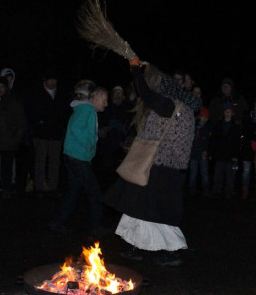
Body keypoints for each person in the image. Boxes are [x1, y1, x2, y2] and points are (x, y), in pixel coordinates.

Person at [104, 59, 200, 266]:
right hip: (162, 166)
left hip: (163, 167)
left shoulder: (170, 105)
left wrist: (136, 71)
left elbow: (146, 94)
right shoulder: (179, 107)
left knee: (161, 210)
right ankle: (136, 245)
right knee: (140, 204)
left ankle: (173, 251)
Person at [49, 85, 108, 236]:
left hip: (73, 156)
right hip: (78, 158)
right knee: (94, 192)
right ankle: (96, 227)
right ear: (95, 98)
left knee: (73, 191)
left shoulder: (84, 109)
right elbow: (76, 129)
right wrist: (88, 145)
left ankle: (57, 222)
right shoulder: (87, 110)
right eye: (104, 100)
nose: (106, 104)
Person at [24, 68, 70, 197]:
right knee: (40, 161)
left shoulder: (61, 94)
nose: (53, 82)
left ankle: (52, 187)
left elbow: (65, 112)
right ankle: (40, 186)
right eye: (50, 80)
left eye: (55, 80)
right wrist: (38, 122)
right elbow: (29, 111)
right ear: (45, 80)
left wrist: (61, 127)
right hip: (41, 134)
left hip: (56, 134)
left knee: (54, 161)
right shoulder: (36, 93)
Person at [208, 104, 242, 199]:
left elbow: (237, 142)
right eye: (226, 111)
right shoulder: (218, 125)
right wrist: (211, 152)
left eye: (229, 111)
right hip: (219, 154)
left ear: (232, 113)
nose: (227, 113)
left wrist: (236, 155)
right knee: (217, 174)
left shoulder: (236, 126)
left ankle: (229, 192)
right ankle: (216, 190)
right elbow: (213, 140)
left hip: (230, 155)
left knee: (230, 175)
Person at [187, 106, 212, 196]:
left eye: (206, 117)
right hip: (193, 153)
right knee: (193, 173)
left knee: (204, 173)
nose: (204, 119)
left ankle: (205, 189)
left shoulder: (208, 128)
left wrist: (207, 151)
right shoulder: (193, 126)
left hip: (203, 154)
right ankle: (192, 189)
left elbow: (209, 142)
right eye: (203, 116)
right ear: (199, 117)